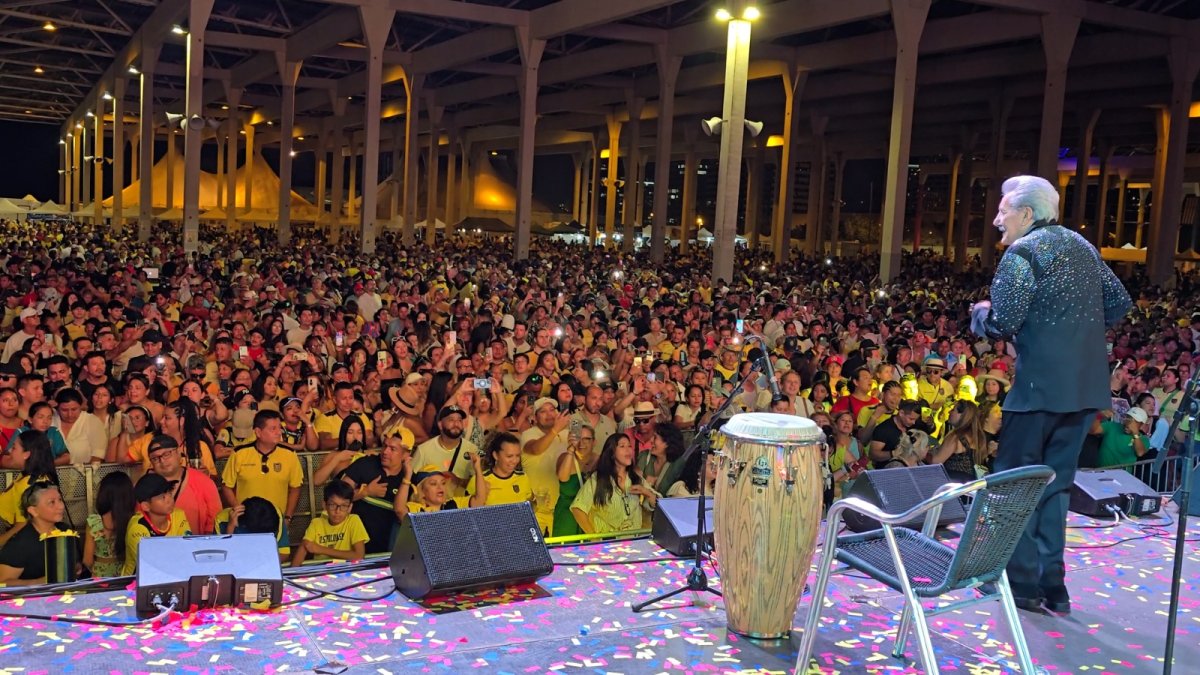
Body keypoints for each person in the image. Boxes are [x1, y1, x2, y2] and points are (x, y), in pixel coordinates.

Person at [971, 174, 1132, 615]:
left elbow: (1005, 321)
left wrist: (981, 313)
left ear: (1026, 214)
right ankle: (1053, 588)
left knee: (1015, 487)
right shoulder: (1083, 247)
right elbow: (1118, 302)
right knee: (1056, 490)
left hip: (1038, 392)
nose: (996, 220)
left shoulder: (1022, 253)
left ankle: (1020, 586)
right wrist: (1072, 326)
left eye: (1003, 210)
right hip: (1082, 391)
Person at [219, 410, 303, 524]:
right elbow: (226, 486)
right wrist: (237, 508)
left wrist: (288, 517)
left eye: (280, 427)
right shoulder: (239, 454)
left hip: (277, 521)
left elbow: (295, 488)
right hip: (246, 520)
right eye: (273, 429)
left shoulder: (290, 455)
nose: (279, 432)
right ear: (258, 432)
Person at [570, 434, 658, 534]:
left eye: (629, 446)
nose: (628, 450)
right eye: (622, 446)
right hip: (607, 543)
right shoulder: (598, 479)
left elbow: (658, 504)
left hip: (633, 541)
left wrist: (646, 492)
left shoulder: (635, 477)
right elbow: (578, 508)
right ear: (612, 453)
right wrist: (593, 536)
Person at [341, 430, 410, 554]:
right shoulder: (365, 463)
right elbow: (338, 495)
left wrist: (408, 477)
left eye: (392, 449)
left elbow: (405, 517)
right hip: (353, 547)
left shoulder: (409, 479)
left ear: (405, 455)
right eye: (385, 446)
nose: (385, 452)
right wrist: (365, 492)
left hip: (389, 550)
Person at [145, 433, 221, 535]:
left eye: (167, 454)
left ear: (178, 453)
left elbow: (215, 520)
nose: (162, 461)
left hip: (198, 546)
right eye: (155, 458)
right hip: (159, 547)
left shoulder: (204, 482)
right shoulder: (145, 486)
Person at [121, 473, 193, 576]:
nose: (169, 499)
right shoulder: (137, 527)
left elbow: (187, 548)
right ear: (146, 506)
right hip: (135, 584)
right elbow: (151, 565)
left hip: (172, 577)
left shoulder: (178, 515)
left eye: (169, 492)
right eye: (163, 497)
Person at [0, 482, 71, 585]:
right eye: (52, 502)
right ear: (33, 511)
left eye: (60, 500)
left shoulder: (65, 531)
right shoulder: (20, 543)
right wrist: (39, 582)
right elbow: (2, 582)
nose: (61, 506)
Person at [0, 429, 59, 548]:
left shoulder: (28, 484)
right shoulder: (31, 476)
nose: (10, 451)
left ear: (27, 454)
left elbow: (22, 525)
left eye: (15, 448)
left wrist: (2, 540)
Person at [290, 481, 369, 566]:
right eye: (332, 505)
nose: (337, 511)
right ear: (324, 505)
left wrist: (321, 549)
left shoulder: (353, 520)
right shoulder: (316, 523)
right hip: (322, 572)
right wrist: (292, 573)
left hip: (346, 571)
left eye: (343, 506)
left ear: (350, 507)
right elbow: (304, 547)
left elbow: (359, 556)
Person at [83, 472, 136, 578]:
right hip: (126, 577)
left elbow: (87, 560)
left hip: (100, 580)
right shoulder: (133, 520)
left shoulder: (94, 522)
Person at [468, 431, 534, 509]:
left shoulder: (523, 478)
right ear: (495, 455)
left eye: (517, 456)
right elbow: (468, 511)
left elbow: (530, 506)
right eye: (509, 456)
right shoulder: (479, 480)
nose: (515, 461)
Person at [553, 425, 597, 537]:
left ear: (594, 442)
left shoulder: (600, 460)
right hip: (567, 518)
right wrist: (571, 450)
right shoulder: (565, 457)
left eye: (587, 439)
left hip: (590, 517)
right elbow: (563, 477)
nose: (582, 443)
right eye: (578, 438)